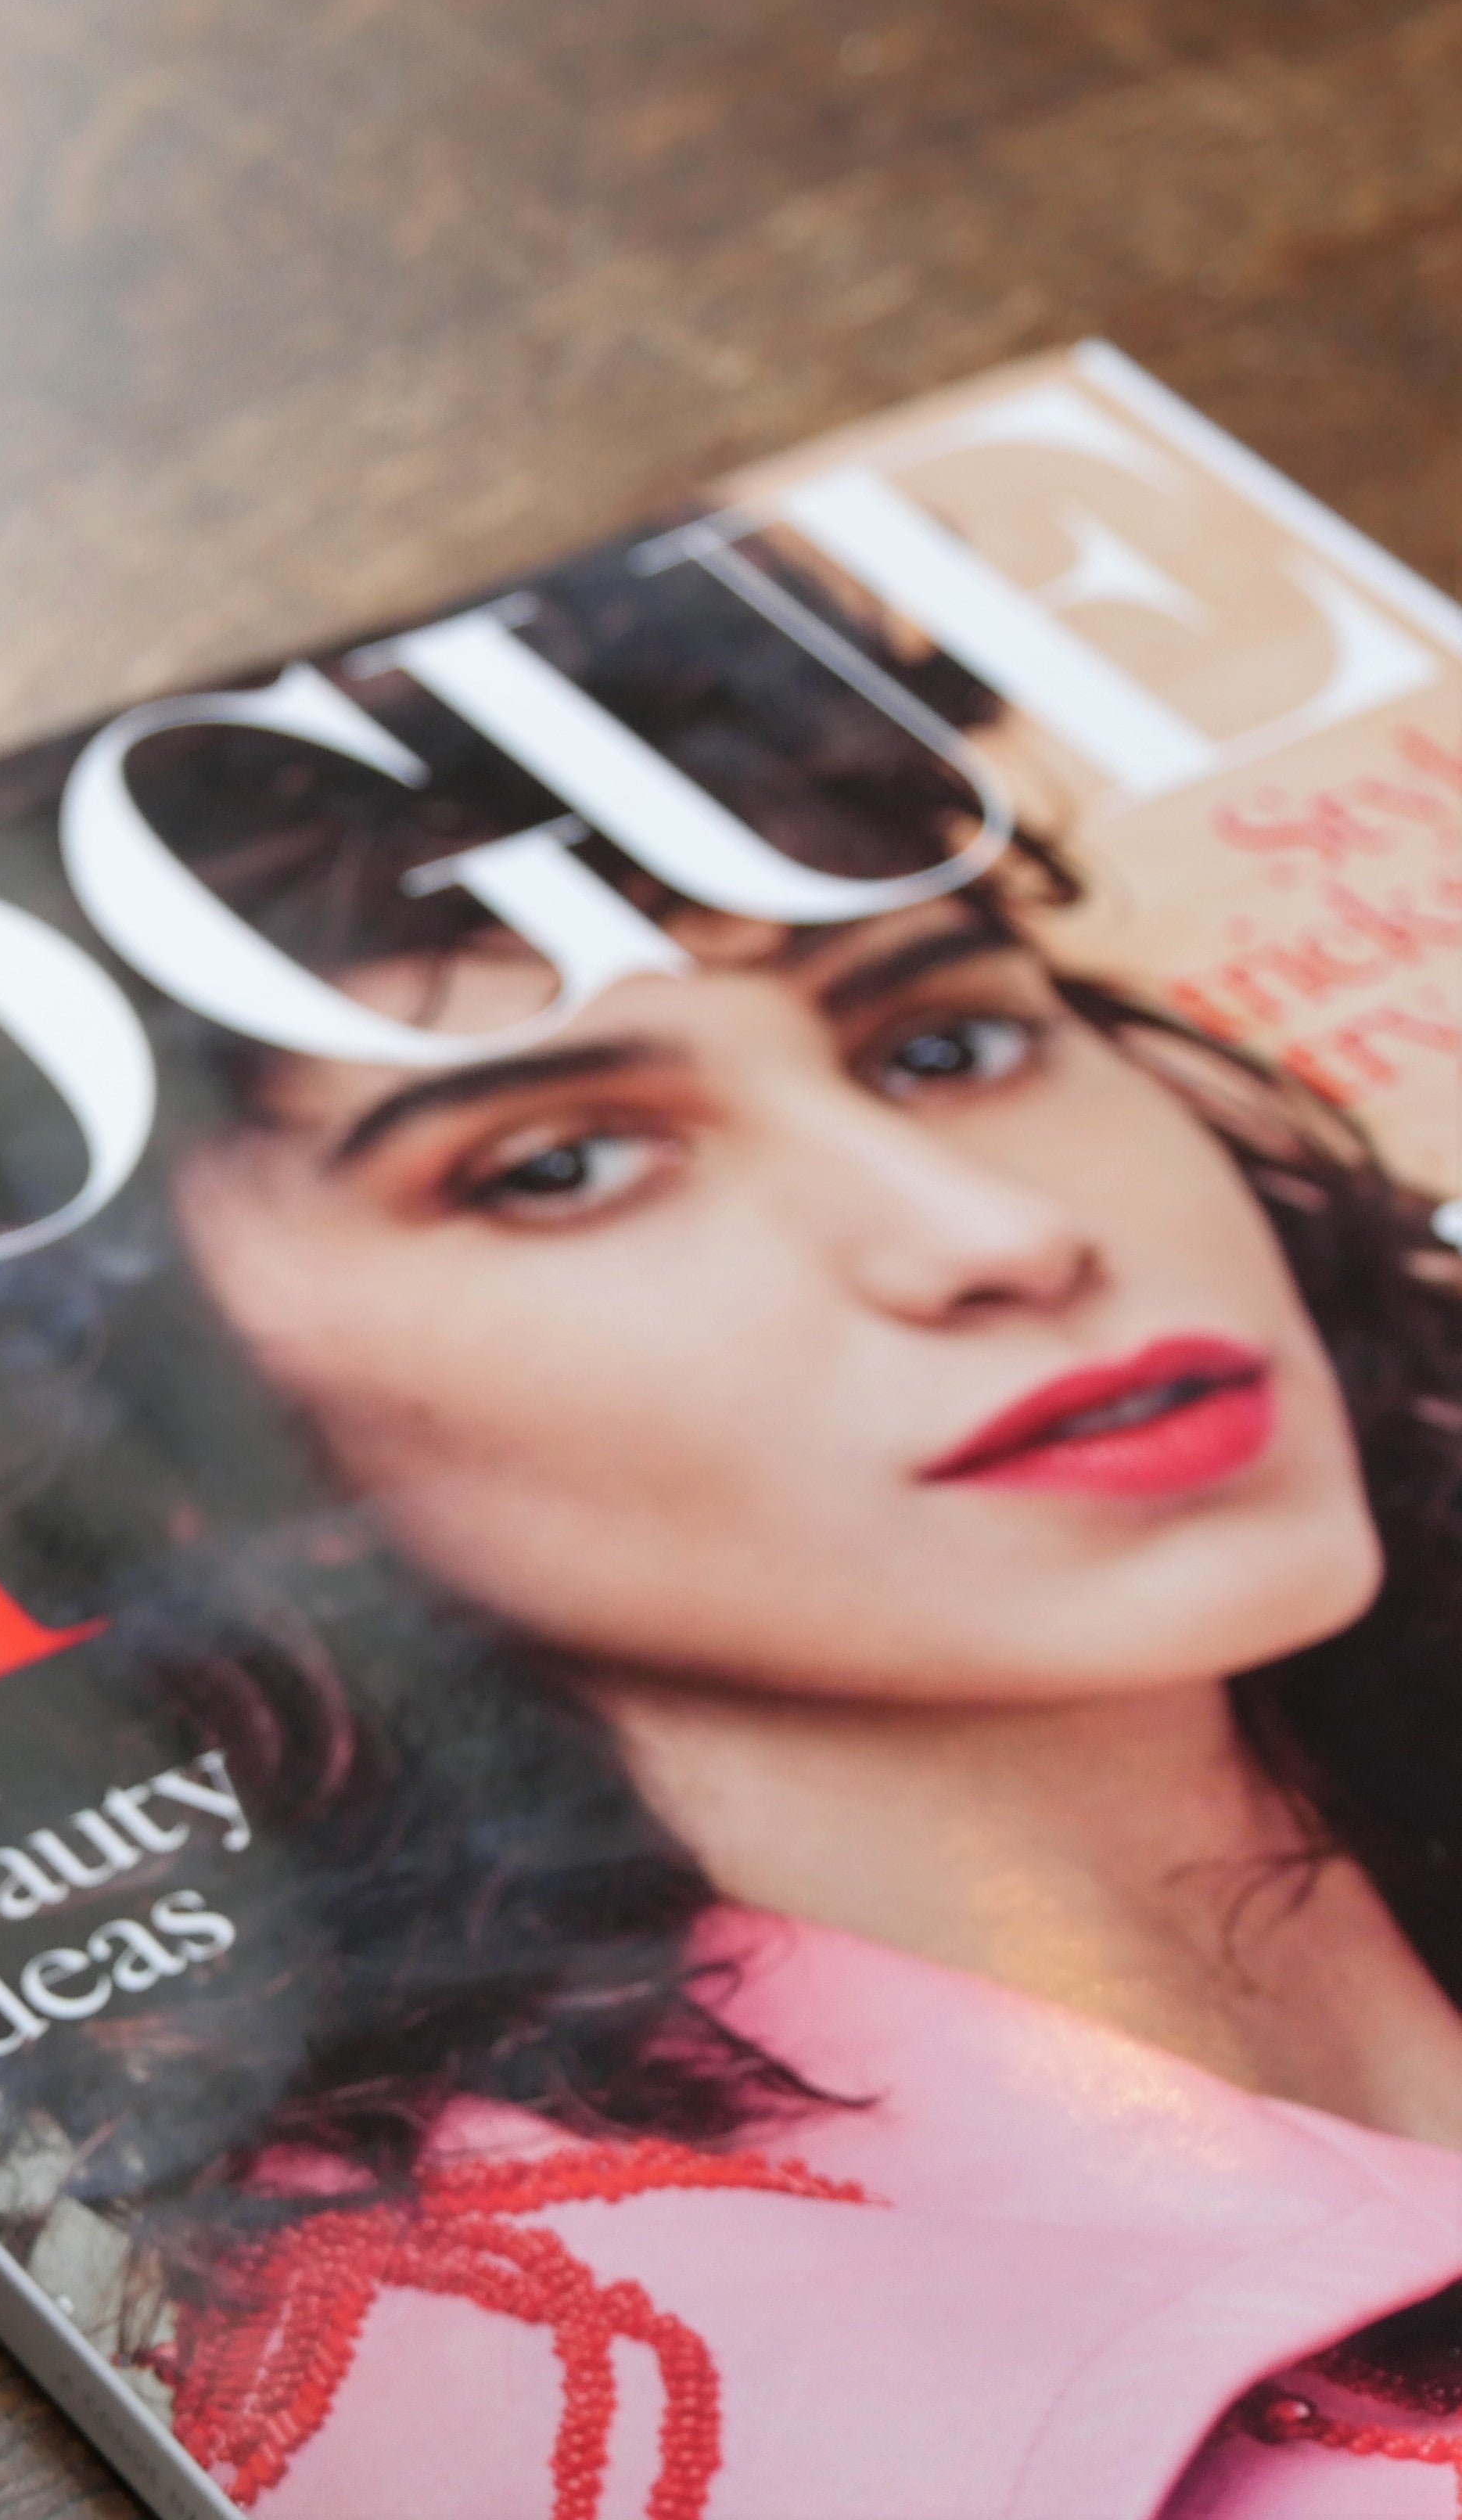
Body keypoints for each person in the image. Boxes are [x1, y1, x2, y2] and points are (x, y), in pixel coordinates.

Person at [99, 546, 1462, 2516]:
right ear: (208, 1464)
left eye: (944, 1042)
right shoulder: (533, 2365)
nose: (995, 1236)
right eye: (560, 1167)